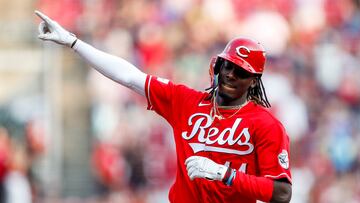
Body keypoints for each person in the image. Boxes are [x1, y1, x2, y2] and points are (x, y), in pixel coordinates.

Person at [35, 10, 292, 203]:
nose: (231, 75)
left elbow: (282, 193)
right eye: (229, 66)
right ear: (218, 65)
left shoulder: (266, 125)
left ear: (254, 81)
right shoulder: (186, 101)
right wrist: (73, 42)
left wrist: (224, 174)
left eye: (241, 72)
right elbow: (129, 76)